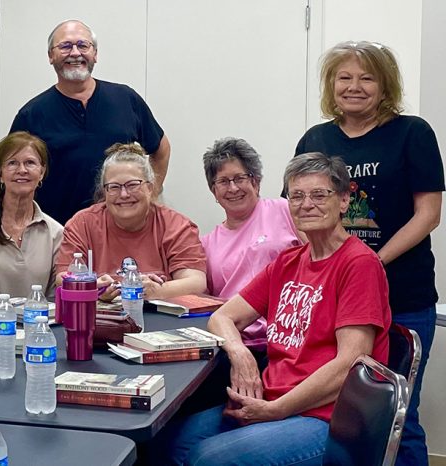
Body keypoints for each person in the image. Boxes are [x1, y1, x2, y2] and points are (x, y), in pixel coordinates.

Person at [160, 153, 392, 466]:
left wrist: (275, 411)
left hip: (328, 418)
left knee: (208, 459)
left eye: (319, 194)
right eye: (296, 195)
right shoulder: (289, 261)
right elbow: (223, 317)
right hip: (272, 399)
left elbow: (349, 364)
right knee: (167, 443)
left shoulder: (359, 264)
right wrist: (240, 354)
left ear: (343, 201)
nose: (306, 203)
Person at [294, 41, 443, 466]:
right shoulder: (316, 138)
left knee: (399, 413)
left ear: (385, 85)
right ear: (331, 84)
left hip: (404, 299)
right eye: (345, 77)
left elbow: (427, 214)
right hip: (337, 302)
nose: (354, 86)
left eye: (367, 77)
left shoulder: (413, 133)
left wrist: (371, 262)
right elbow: (301, 210)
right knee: (345, 409)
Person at [10, 19, 170, 224]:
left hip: (123, 229)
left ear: (95, 54)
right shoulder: (31, 115)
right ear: (51, 56)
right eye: (65, 46)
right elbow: (11, 173)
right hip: (58, 233)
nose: (75, 53)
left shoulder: (125, 99)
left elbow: (161, 149)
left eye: (83, 45)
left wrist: (150, 196)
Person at [56, 143, 206, 301]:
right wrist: (92, 289)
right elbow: (62, 278)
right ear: (104, 191)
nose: (124, 194)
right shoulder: (83, 223)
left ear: (150, 187)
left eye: (133, 185)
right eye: (114, 187)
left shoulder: (176, 225)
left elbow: (196, 282)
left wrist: (158, 290)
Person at [201, 137, 302, 353]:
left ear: (255, 182)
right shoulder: (206, 244)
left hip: (291, 339)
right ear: (213, 191)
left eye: (240, 178)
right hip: (236, 344)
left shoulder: (284, 210)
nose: (233, 188)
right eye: (223, 181)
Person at [0, 131, 64, 298]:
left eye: (30, 163)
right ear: (0, 174)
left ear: (41, 172)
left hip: (39, 322)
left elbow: (55, 300)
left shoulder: (55, 233)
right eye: (12, 163)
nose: (22, 170)